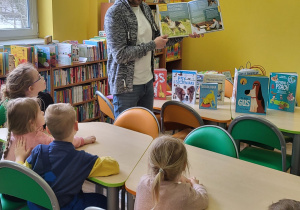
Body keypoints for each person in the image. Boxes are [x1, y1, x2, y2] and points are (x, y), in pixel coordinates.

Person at [104, 0, 201, 118]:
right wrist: (152, 45)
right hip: (126, 89)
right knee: (125, 133)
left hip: (148, 83)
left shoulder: (145, 8)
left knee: (146, 132)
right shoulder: (114, 13)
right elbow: (120, 55)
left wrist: (186, 33)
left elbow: (159, 39)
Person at [15, 103, 120, 209]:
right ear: (76, 126)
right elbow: (114, 166)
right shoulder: (82, 159)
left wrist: (19, 158)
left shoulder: (38, 151)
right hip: (66, 207)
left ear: (48, 130)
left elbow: (22, 174)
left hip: (37, 206)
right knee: (103, 200)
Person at [2, 97, 96, 161]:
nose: (43, 113)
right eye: (39, 112)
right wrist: (84, 140)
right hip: (29, 186)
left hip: (9, 185)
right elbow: (64, 142)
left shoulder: (13, 134)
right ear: (31, 123)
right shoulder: (39, 138)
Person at [134, 136, 209, 209]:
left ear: (149, 164)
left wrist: (178, 177)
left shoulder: (143, 181)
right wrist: (195, 184)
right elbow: (204, 200)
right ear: (184, 166)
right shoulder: (183, 193)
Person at [0, 62, 53, 127]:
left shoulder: (46, 98)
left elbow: (53, 124)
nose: (42, 78)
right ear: (31, 88)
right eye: (39, 77)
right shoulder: (8, 105)